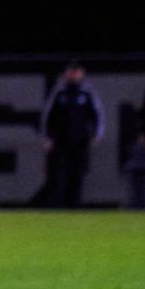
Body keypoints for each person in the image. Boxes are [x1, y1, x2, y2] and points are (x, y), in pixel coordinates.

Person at [40, 61, 104, 209]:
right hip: (60, 141)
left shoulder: (87, 93)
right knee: (58, 176)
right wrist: (47, 138)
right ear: (66, 73)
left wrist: (96, 134)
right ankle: (58, 207)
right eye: (71, 71)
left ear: (82, 73)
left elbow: (97, 115)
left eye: (76, 71)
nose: (73, 74)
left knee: (77, 175)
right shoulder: (59, 92)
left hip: (80, 141)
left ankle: (74, 207)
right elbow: (48, 117)